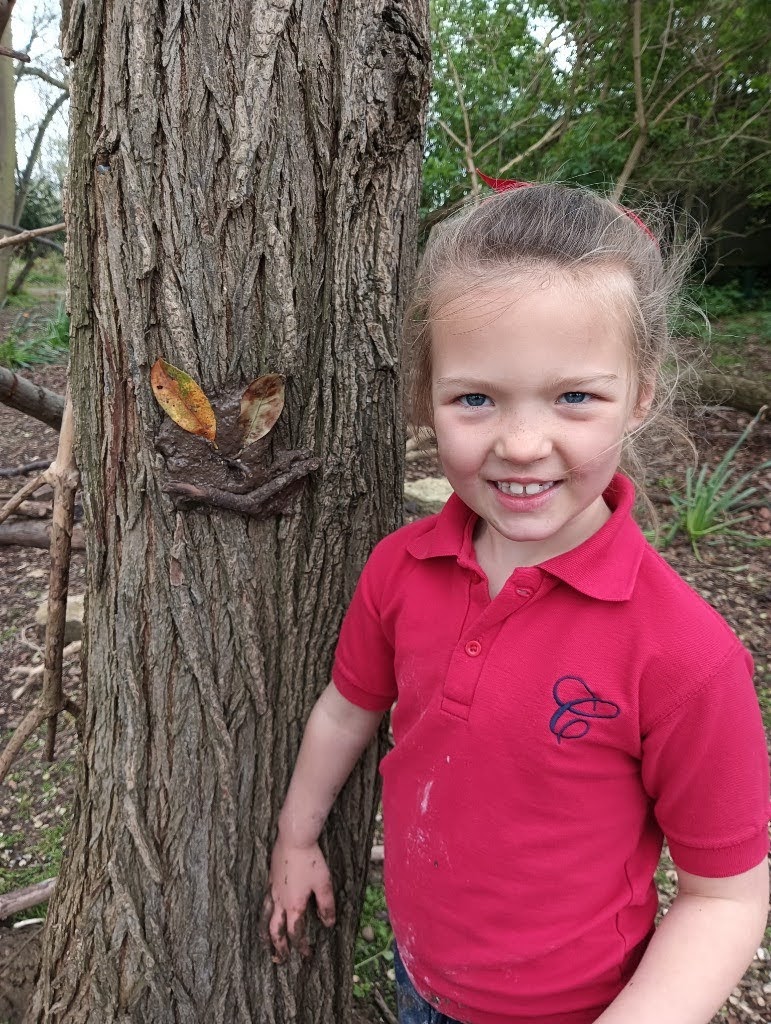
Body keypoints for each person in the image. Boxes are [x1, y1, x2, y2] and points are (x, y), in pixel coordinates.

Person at [261, 182, 770, 1024]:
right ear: (427, 394)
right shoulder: (400, 568)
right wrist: (296, 837)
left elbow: (724, 900)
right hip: (421, 979)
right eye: (475, 398)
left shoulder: (685, 655)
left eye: (574, 396)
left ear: (640, 394)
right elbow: (347, 712)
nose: (521, 443)